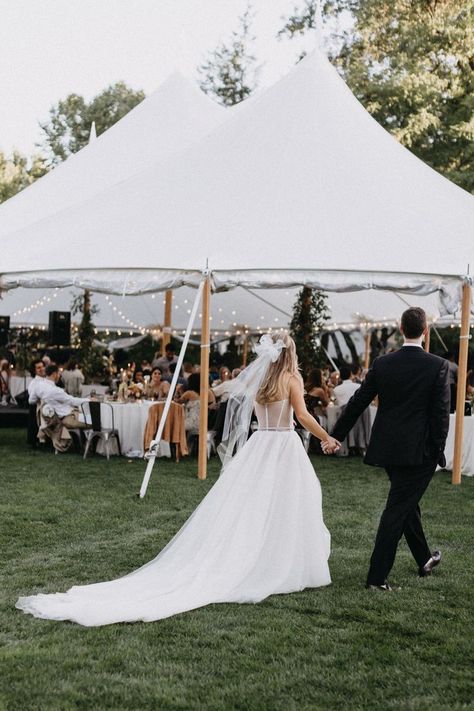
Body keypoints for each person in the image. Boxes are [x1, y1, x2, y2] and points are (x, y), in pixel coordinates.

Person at [16, 333, 339, 626]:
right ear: (291, 354)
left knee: (252, 506)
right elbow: (302, 416)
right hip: (282, 444)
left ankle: (264, 556)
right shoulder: (291, 378)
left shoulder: (263, 382)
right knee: (290, 503)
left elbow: (257, 417)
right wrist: (326, 436)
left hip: (260, 445)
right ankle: (281, 561)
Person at [331, 307, 450, 591]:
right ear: (425, 331)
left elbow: (358, 401)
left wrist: (337, 435)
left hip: (389, 449)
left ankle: (424, 559)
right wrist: (438, 450)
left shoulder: (383, 364)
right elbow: (440, 415)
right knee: (397, 510)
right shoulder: (437, 365)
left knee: (406, 505)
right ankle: (376, 578)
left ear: (400, 328)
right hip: (419, 452)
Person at [37, 365, 90, 430]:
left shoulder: (41, 385)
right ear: (54, 374)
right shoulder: (55, 390)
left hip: (54, 417)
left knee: (86, 415)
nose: (60, 376)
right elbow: (72, 401)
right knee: (96, 422)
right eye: (59, 374)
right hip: (65, 418)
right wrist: (89, 400)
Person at [27, 359, 46, 447]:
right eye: (39, 368)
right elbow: (31, 400)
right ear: (34, 371)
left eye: (42, 366)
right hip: (37, 408)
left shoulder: (47, 380)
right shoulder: (33, 383)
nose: (42, 369)